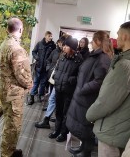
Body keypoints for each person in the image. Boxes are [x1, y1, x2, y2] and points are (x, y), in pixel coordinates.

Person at [66, 31, 113, 157]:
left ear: (98, 41)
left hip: (87, 99)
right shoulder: (95, 55)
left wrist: (83, 89)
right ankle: (82, 148)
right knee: (83, 128)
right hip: (83, 98)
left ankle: (86, 152)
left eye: (93, 40)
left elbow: (98, 81)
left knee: (86, 128)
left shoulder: (102, 58)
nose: (91, 42)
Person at [86, 22, 130, 157]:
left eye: (117, 34)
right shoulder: (122, 60)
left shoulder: (124, 65)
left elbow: (107, 101)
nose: (115, 38)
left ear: (125, 36)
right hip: (117, 126)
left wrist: (90, 115)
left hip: (112, 129)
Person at [0, 17, 33, 157]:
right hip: (13, 93)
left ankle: (9, 150)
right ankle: (7, 154)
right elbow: (22, 74)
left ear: (7, 29)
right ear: (20, 29)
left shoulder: (4, 44)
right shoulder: (16, 48)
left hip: (4, 89)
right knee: (13, 125)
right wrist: (30, 84)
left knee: (9, 120)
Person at [48, 37, 83, 142]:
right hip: (58, 87)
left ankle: (63, 133)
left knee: (66, 113)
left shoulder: (79, 59)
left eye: (66, 46)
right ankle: (56, 130)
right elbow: (57, 68)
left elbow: (80, 76)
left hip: (68, 90)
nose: (64, 47)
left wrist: (71, 79)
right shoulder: (62, 56)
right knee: (58, 111)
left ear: (72, 47)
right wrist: (56, 76)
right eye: (64, 45)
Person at [34, 37, 66, 129]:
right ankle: (47, 119)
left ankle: (56, 125)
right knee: (52, 98)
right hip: (54, 78)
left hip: (61, 83)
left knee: (57, 101)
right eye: (61, 44)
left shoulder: (70, 57)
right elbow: (49, 60)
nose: (62, 46)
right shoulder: (56, 52)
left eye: (64, 45)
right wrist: (50, 69)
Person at [28, 31, 56, 105]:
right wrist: (37, 58)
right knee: (36, 82)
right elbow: (34, 52)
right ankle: (32, 96)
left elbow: (53, 56)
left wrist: (49, 65)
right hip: (38, 67)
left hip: (46, 69)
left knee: (43, 83)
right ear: (46, 36)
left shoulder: (53, 46)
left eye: (51, 36)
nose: (51, 37)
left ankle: (40, 95)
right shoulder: (39, 44)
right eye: (49, 36)